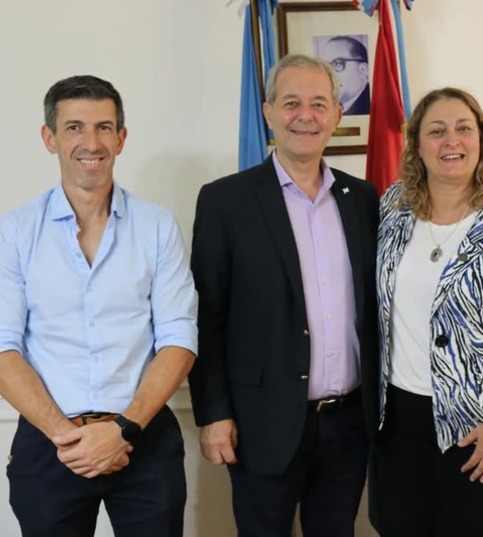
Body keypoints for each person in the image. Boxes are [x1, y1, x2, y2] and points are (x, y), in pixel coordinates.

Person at [189, 53, 379, 537]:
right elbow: (207, 316)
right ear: (270, 112)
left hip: (348, 424)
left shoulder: (364, 200)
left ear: (337, 115)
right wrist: (214, 414)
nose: (306, 115)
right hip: (260, 423)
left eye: (319, 103)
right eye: (291, 102)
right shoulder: (225, 201)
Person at [0, 75, 198, 536]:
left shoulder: (157, 227)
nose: (91, 142)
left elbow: (179, 338)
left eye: (104, 127)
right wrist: (67, 436)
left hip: (143, 440)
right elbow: (3, 347)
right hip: (50, 443)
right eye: (74, 128)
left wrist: (123, 429)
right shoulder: (14, 232)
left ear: (122, 138)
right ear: (49, 138)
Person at [373, 87, 483, 536]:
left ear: (481, 140)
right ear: (417, 145)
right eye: (436, 131)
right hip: (397, 420)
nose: (451, 141)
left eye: (463, 129)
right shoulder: (393, 209)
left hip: (480, 422)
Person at [319, 35, 370, 115]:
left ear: (363, 70)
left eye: (338, 63)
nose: (329, 74)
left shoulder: (375, 108)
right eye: (325, 66)